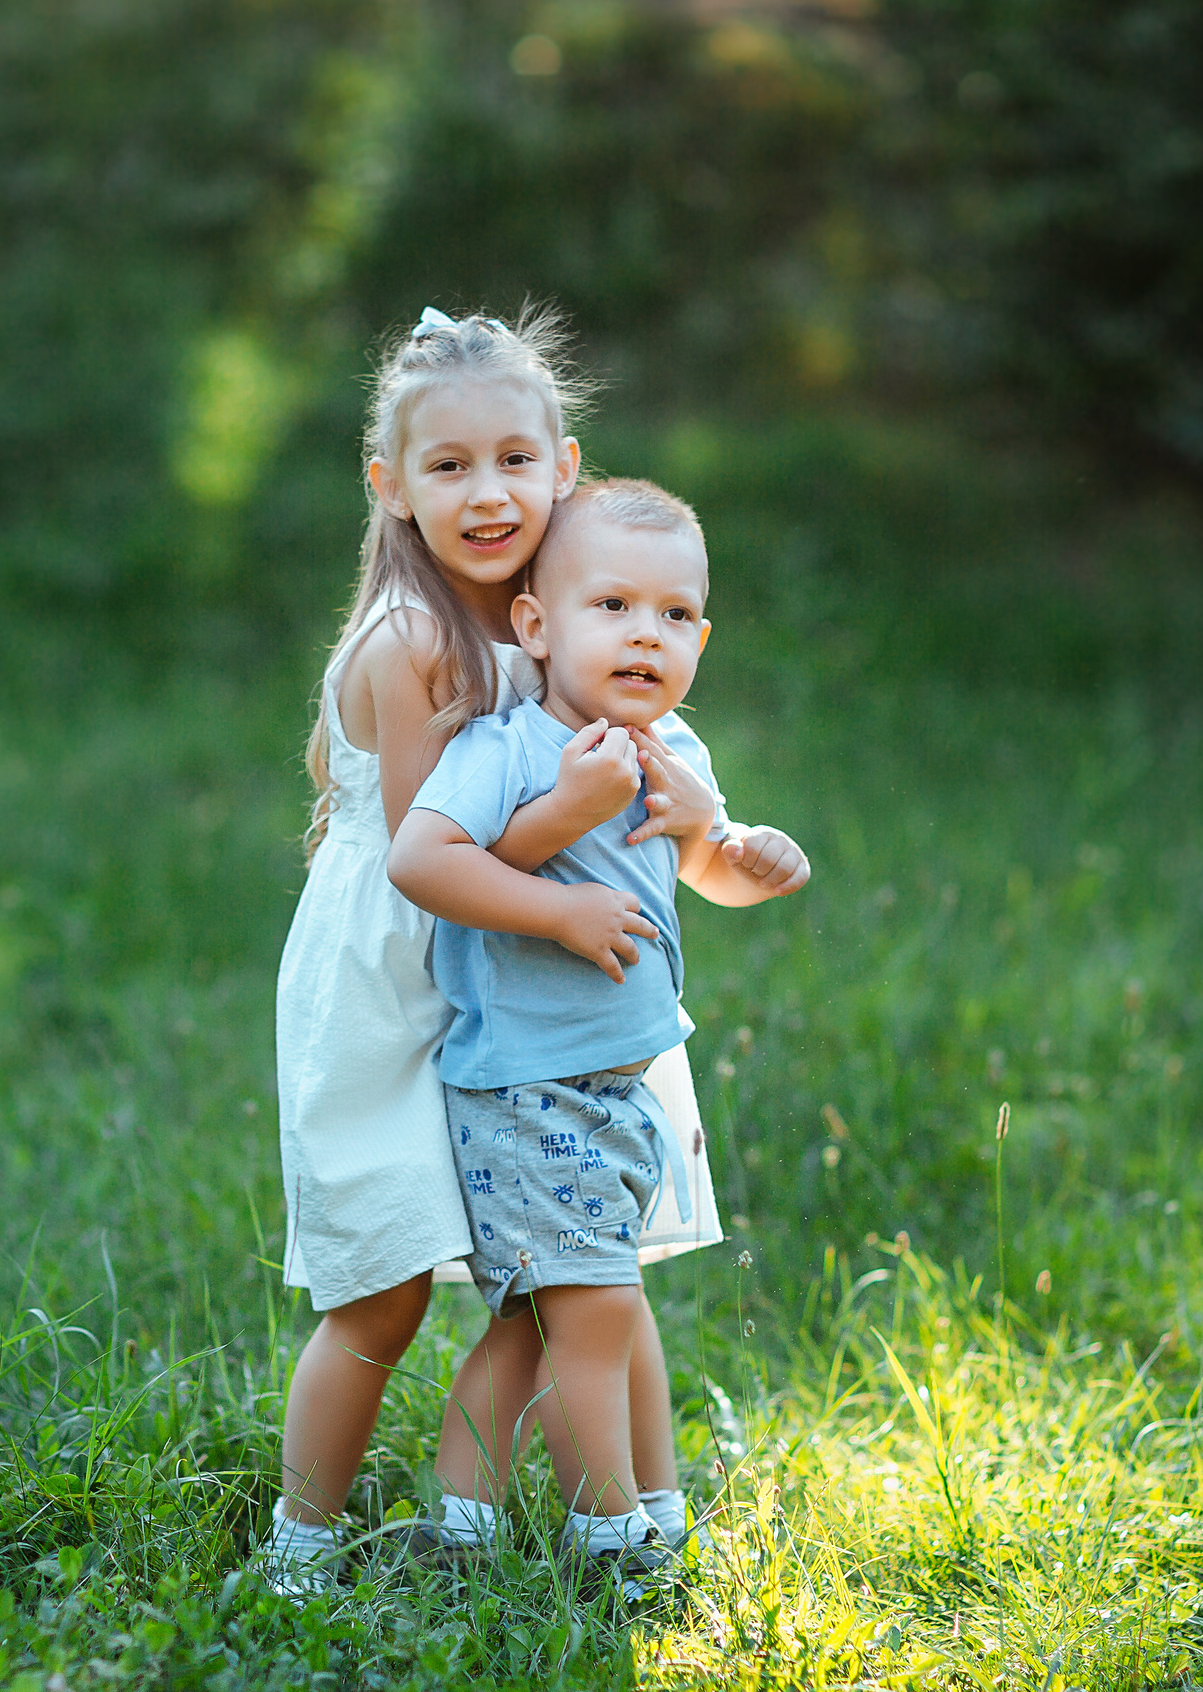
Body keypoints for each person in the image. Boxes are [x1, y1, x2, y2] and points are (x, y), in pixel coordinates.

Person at [260, 310, 723, 1597]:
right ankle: (299, 1545)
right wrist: (573, 830)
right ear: (390, 486)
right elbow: (438, 855)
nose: (486, 491)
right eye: (449, 465)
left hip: (529, 986)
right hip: (402, 969)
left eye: (514, 459)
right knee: (385, 1285)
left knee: (580, 1269)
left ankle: (610, 1513)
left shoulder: (561, 611)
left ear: (563, 467)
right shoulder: (411, 640)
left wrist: (697, 826)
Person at [388, 478, 811, 1596]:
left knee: (536, 1315)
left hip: (624, 1082)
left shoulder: (675, 746)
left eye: (674, 615)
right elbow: (422, 861)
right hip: (530, 1087)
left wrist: (745, 861)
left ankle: (464, 1521)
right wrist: (559, 902)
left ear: (702, 637)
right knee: (600, 1305)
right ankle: (610, 1530)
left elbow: (702, 860)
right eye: (612, 604)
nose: (645, 632)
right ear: (535, 625)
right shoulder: (511, 748)